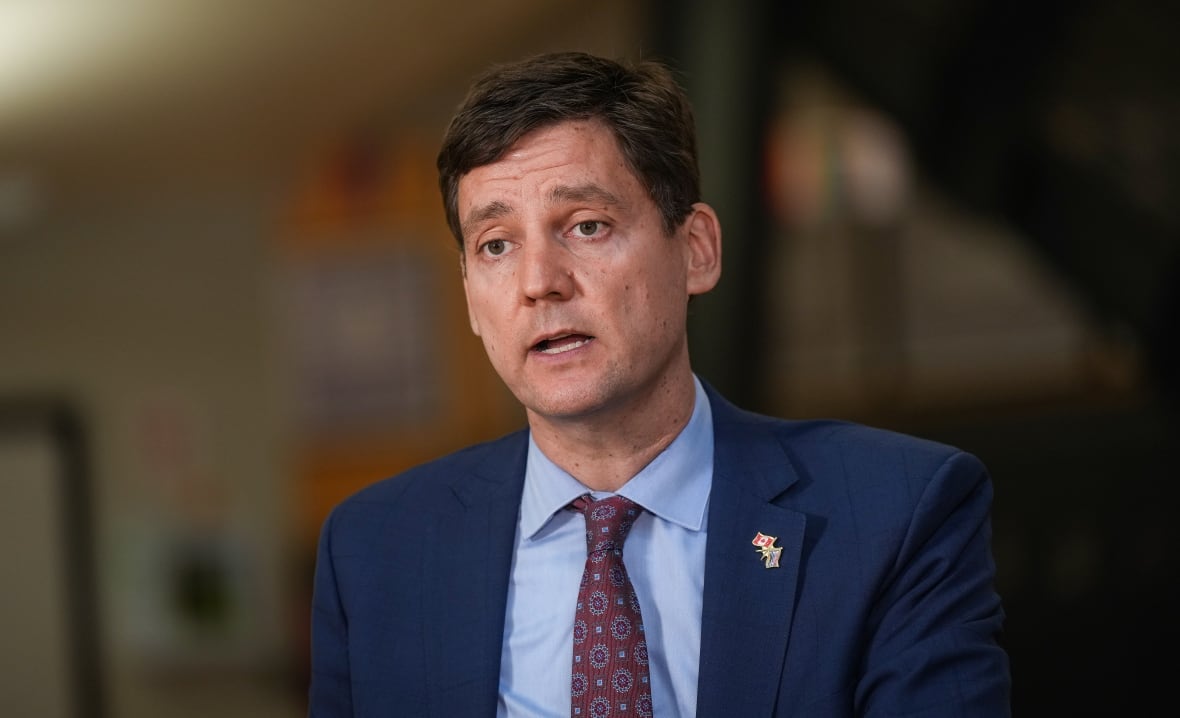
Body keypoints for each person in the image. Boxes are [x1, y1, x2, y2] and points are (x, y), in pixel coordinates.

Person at [308, 51, 1011, 717]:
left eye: (586, 226)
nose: (538, 283)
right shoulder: (376, 551)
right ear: (469, 297)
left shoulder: (895, 516)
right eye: (496, 245)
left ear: (696, 250)